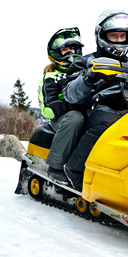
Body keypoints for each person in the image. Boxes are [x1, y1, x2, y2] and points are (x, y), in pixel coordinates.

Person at [62, 10, 128, 191]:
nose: (118, 41)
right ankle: (75, 169)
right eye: (113, 35)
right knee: (107, 122)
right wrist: (89, 76)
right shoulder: (86, 62)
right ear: (102, 36)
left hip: (123, 113)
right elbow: (70, 94)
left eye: (122, 36)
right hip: (91, 112)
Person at [38, 27, 89, 185]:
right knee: (76, 117)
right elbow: (48, 110)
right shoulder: (51, 77)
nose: (70, 53)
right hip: (62, 120)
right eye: (65, 49)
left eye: (73, 48)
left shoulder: (85, 73)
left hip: (84, 115)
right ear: (56, 53)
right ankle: (55, 166)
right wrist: (73, 105)